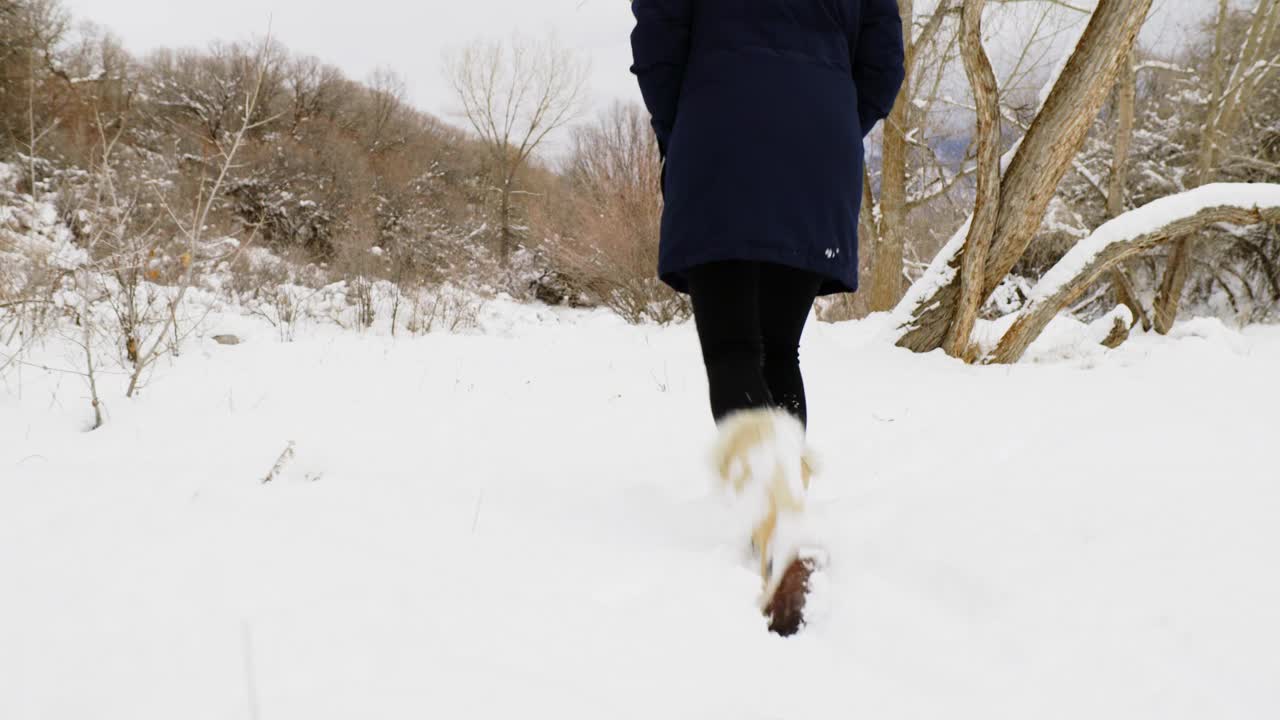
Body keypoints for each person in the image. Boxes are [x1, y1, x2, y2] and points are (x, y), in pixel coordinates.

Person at [630, 0, 905, 629]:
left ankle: (778, 526)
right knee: (781, 348)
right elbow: (884, 64)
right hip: (821, 147)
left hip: (720, 129)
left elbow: (659, 45)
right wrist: (829, 112)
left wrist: (686, 124)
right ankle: (791, 518)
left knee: (733, 349)